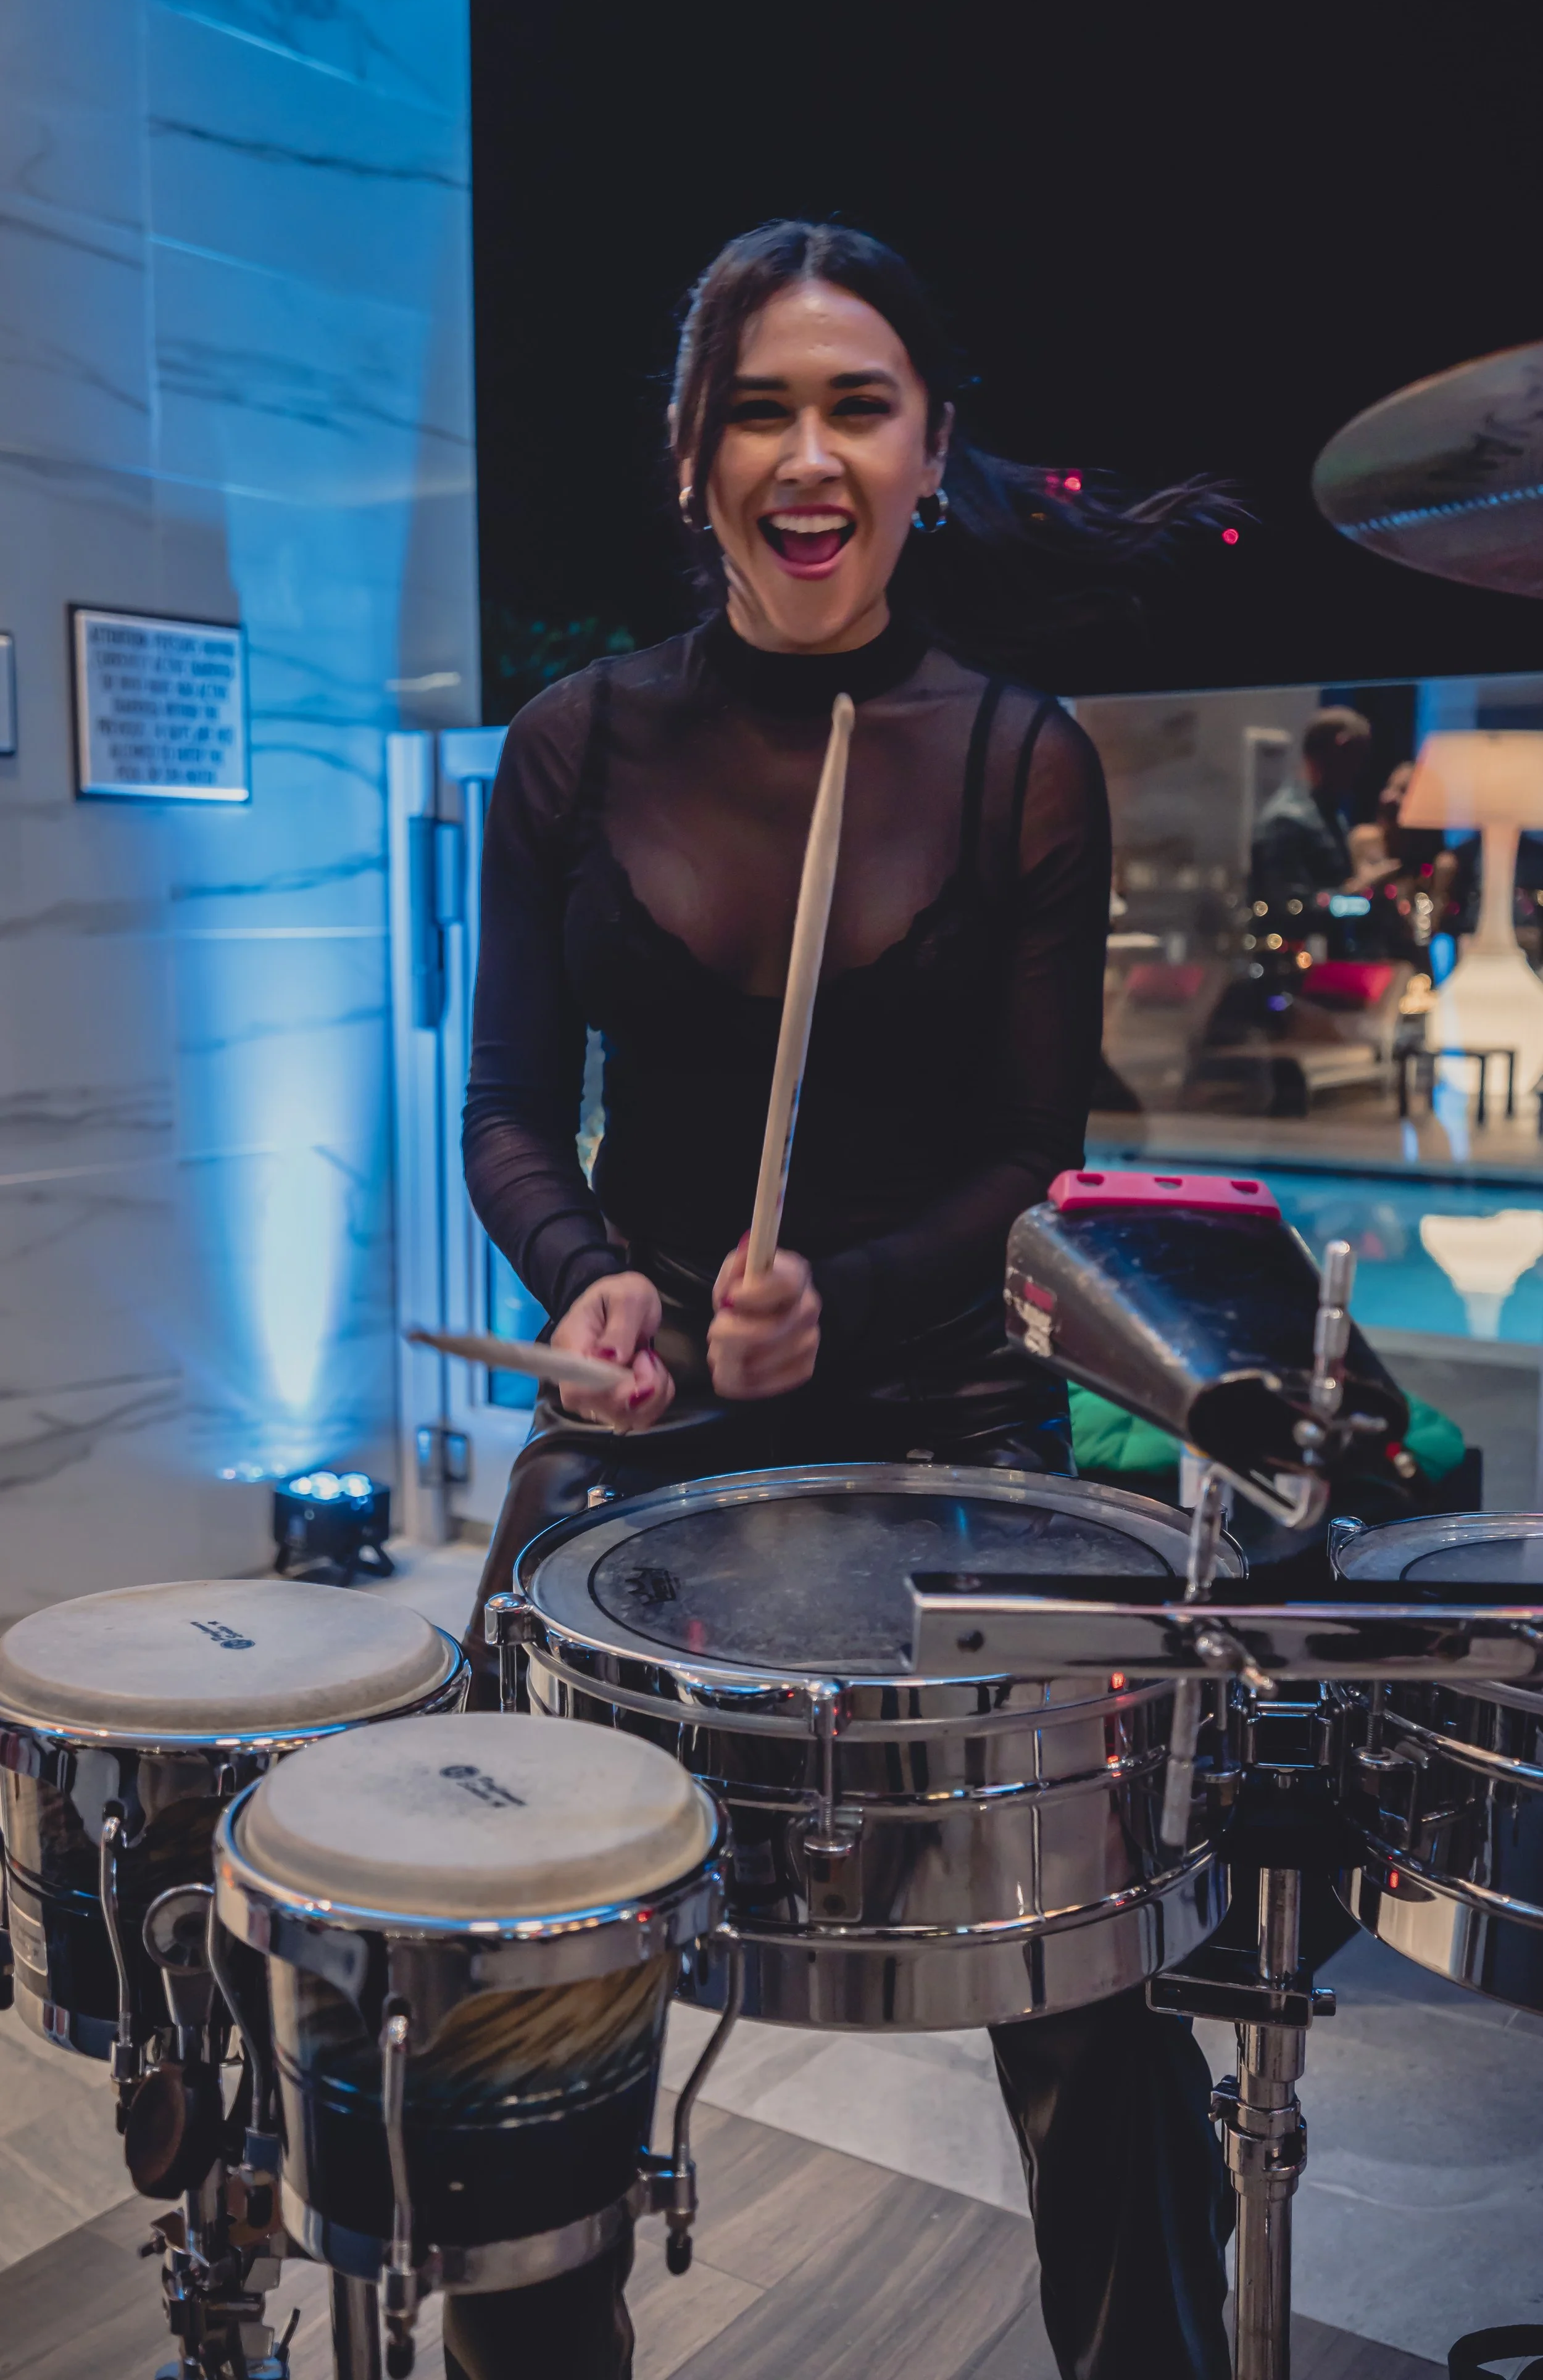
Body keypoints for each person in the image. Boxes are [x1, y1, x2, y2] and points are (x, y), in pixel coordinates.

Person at [454, 219, 1236, 2380]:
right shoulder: (569, 747)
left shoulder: (1019, 761)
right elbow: (510, 1105)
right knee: (516, 1967)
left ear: (931, 451)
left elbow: (1034, 1156)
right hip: (646, 1419)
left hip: (947, 1422)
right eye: (761, 406)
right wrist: (595, 1276)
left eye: (856, 406)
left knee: (1096, 1998)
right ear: (693, 452)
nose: (808, 453)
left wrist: (858, 1294)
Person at [1249, 706, 1371, 914]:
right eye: (1355, 758)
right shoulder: (1287, 820)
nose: (1359, 771)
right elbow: (1294, 907)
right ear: (1339, 749)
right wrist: (1363, 900)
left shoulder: (1330, 814)